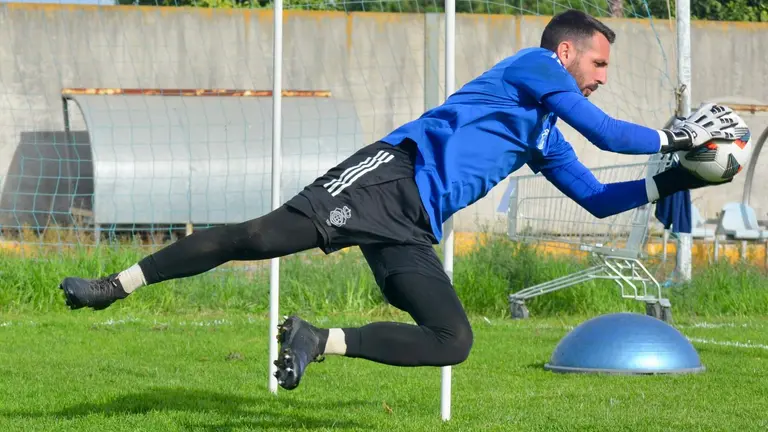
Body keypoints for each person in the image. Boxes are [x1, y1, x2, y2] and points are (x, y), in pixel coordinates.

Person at [58, 9, 743, 390]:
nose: (601, 78)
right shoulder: (533, 67)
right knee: (258, 239)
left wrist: (682, 177)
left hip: (412, 227)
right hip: (389, 176)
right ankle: (114, 285)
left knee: (453, 341)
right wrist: (672, 133)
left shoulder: (544, 132)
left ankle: (315, 340)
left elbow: (596, 198)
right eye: (599, 65)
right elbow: (608, 131)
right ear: (566, 53)